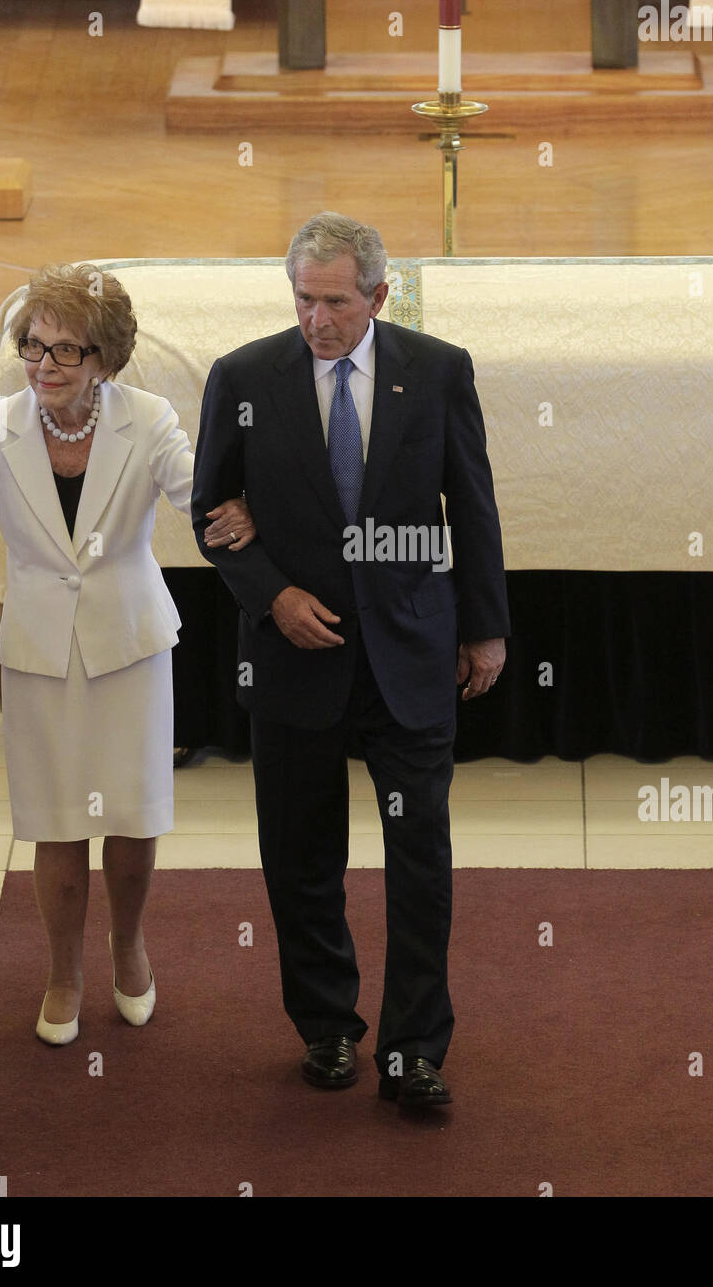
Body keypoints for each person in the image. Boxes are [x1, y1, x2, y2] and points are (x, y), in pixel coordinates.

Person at [191, 212, 509, 1107]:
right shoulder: (245, 377)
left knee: (419, 862)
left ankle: (413, 1049)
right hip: (295, 658)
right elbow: (211, 513)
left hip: (407, 653)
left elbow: (471, 505)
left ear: (376, 295)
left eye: (333, 301)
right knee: (301, 858)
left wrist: (484, 627)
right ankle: (327, 1028)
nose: (316, 319)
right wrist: (272, 595)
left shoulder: (436, 370)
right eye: (302, 299)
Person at [0, 263, 252, 1046]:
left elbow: (193, 491)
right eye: (32, 346)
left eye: (65, 351)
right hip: (41, 649)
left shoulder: (147, 419)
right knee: (57, 822)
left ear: (104, 358)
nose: (43, 366)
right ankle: (63, 969)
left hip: (131, 644)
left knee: (133, 816)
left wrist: (235, 511)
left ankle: (129, 942)